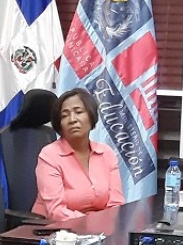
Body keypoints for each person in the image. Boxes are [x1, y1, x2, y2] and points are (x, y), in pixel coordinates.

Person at [32, 87, 125, 221]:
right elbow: (56, 211)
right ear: (60, 124)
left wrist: (105, 227)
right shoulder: (49, 156)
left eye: (78, 112)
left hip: (101, 231)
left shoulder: (106, 154)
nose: (72, 119)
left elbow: (116, 204)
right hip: (58, 232)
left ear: (91, 115)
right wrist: (93, 224)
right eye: (64, 115)